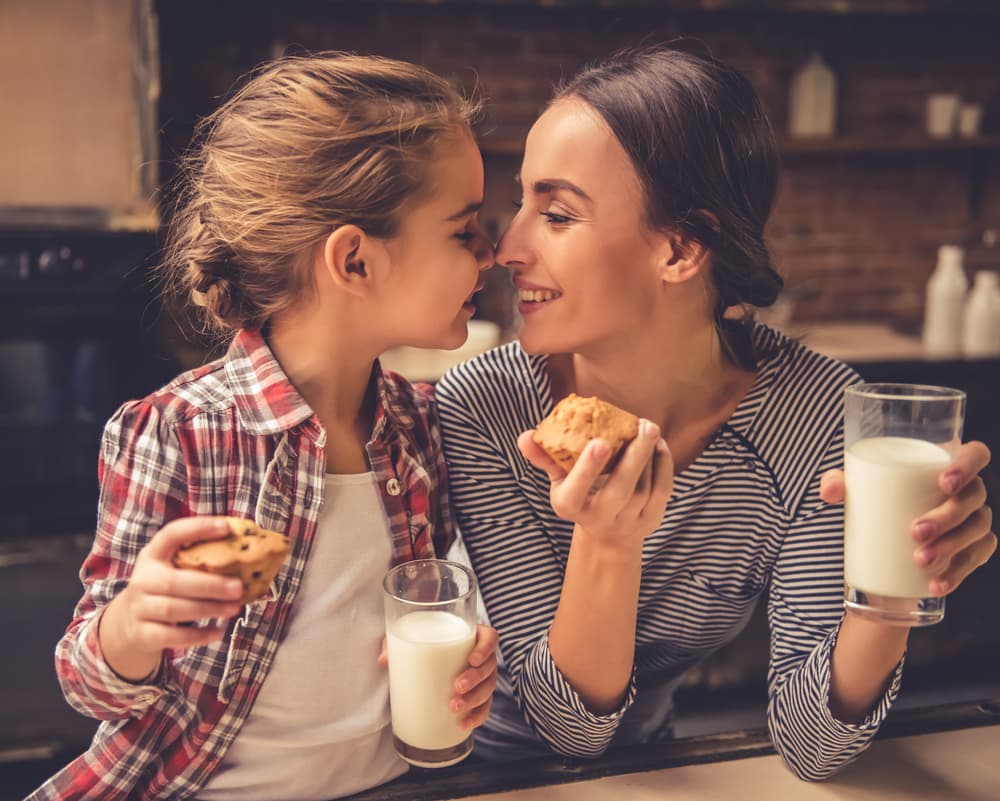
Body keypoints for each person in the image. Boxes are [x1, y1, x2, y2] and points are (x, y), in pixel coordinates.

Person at [435, 44, 996, 781]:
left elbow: (813, 743)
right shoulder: (484, 406)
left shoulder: (818, 418)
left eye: (558, 213)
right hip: (472, 772)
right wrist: (608, 542)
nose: (506, 248)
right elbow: (566, 729)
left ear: (678, 248)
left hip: (660, 768)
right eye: (522, 203)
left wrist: (890, 586)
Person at [30, 53, 498, 801]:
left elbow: (428, 611)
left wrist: (470, 669)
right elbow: (89, 684)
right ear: (354, 260)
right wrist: (134, 622)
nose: (492, 253)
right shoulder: (176, 432)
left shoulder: (421, 424)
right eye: (464, 230)